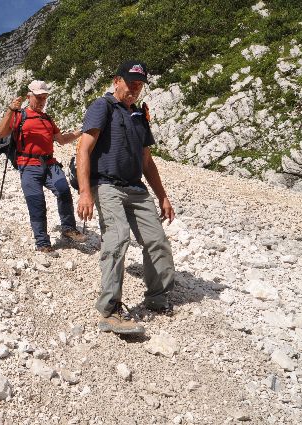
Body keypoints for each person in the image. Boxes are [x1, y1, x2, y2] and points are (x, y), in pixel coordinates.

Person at [76, 60, 176, 335]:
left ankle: (157, 297)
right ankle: (110, 310)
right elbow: (83, 148)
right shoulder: (102, 106)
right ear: (116, 80)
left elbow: (147, 161)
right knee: (118, 237)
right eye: (130, 82)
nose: (135, 88)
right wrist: (85, 192)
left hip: (136, 188)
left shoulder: (138, 117)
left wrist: (163, 197)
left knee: (157, 241)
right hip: (106, 184)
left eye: (139, 84)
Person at [0, 80, 87, 254]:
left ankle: (68, 228)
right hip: (28, 165)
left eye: (44, 97)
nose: (41, 101)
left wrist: (81, 131)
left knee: (63, 190)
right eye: (38, 97)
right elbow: (1, 133)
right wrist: (10, 110)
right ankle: (42, 242)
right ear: (29, 96)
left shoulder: (47, 119)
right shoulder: (19, 115)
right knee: (36, 203)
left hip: (50, 163)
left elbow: (61, 140)